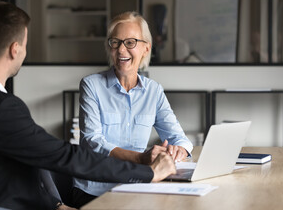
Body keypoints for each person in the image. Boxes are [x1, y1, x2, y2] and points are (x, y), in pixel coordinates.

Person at [0, 2, 176, 210]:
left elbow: (16, 168)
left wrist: (55, 205)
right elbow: (65, 156)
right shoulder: (1, 107)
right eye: (25, 43)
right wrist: (149, 173)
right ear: (15, 49)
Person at [72, 11, 193, 206]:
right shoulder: (91, 85)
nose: (121, 50)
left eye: (130, 42)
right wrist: (141, 158)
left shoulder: (153, 91)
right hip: (95, 190)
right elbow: (93, 142)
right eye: (115, 42)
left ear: (146, 49)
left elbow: (181, 139)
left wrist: (178, 150)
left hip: (138, 186)